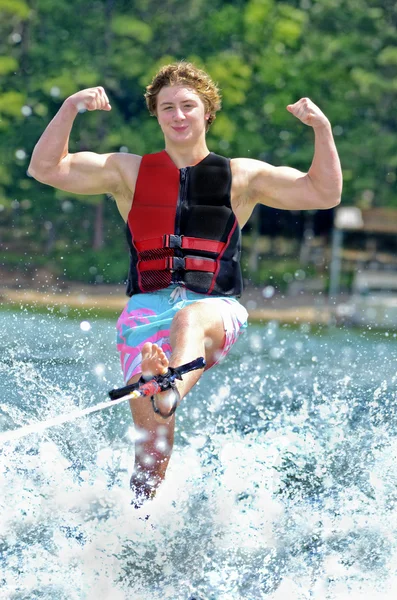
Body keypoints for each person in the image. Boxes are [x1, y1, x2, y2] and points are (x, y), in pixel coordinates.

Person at [28, 62, 342, 506]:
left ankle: (169, 386)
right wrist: (70, 107)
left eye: (188, 106)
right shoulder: (127, 173)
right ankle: (139, 526)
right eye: (167, 107)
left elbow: (323, 193)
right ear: (155, 115)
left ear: (207, 112)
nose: (178, 115)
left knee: (189, 322)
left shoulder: (242, 177)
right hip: (144, 314)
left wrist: (322, 129)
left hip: (214, 309)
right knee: (151, 450)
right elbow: (46, 169)